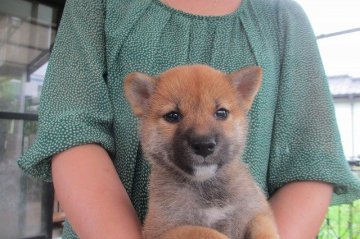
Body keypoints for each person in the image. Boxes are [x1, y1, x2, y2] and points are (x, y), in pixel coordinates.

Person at [18, 0, 360, 238]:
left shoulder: (285, 19)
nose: (201, 134)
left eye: (221, 113)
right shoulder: (99, 4)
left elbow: (312, 159)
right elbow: (71, 131)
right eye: (173, 115)